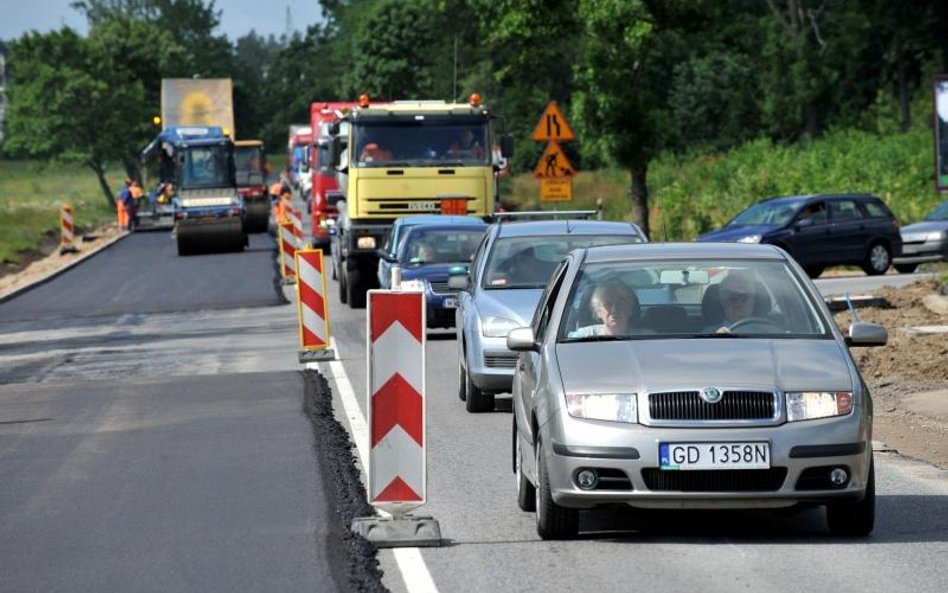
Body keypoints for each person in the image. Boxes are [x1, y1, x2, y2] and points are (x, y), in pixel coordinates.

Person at [569, 281, 644, 337]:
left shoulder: (647, 338)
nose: (614, 310)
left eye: (620, 304)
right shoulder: (584, 336)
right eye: (607, 305)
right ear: (598, 312)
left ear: (630, 309)